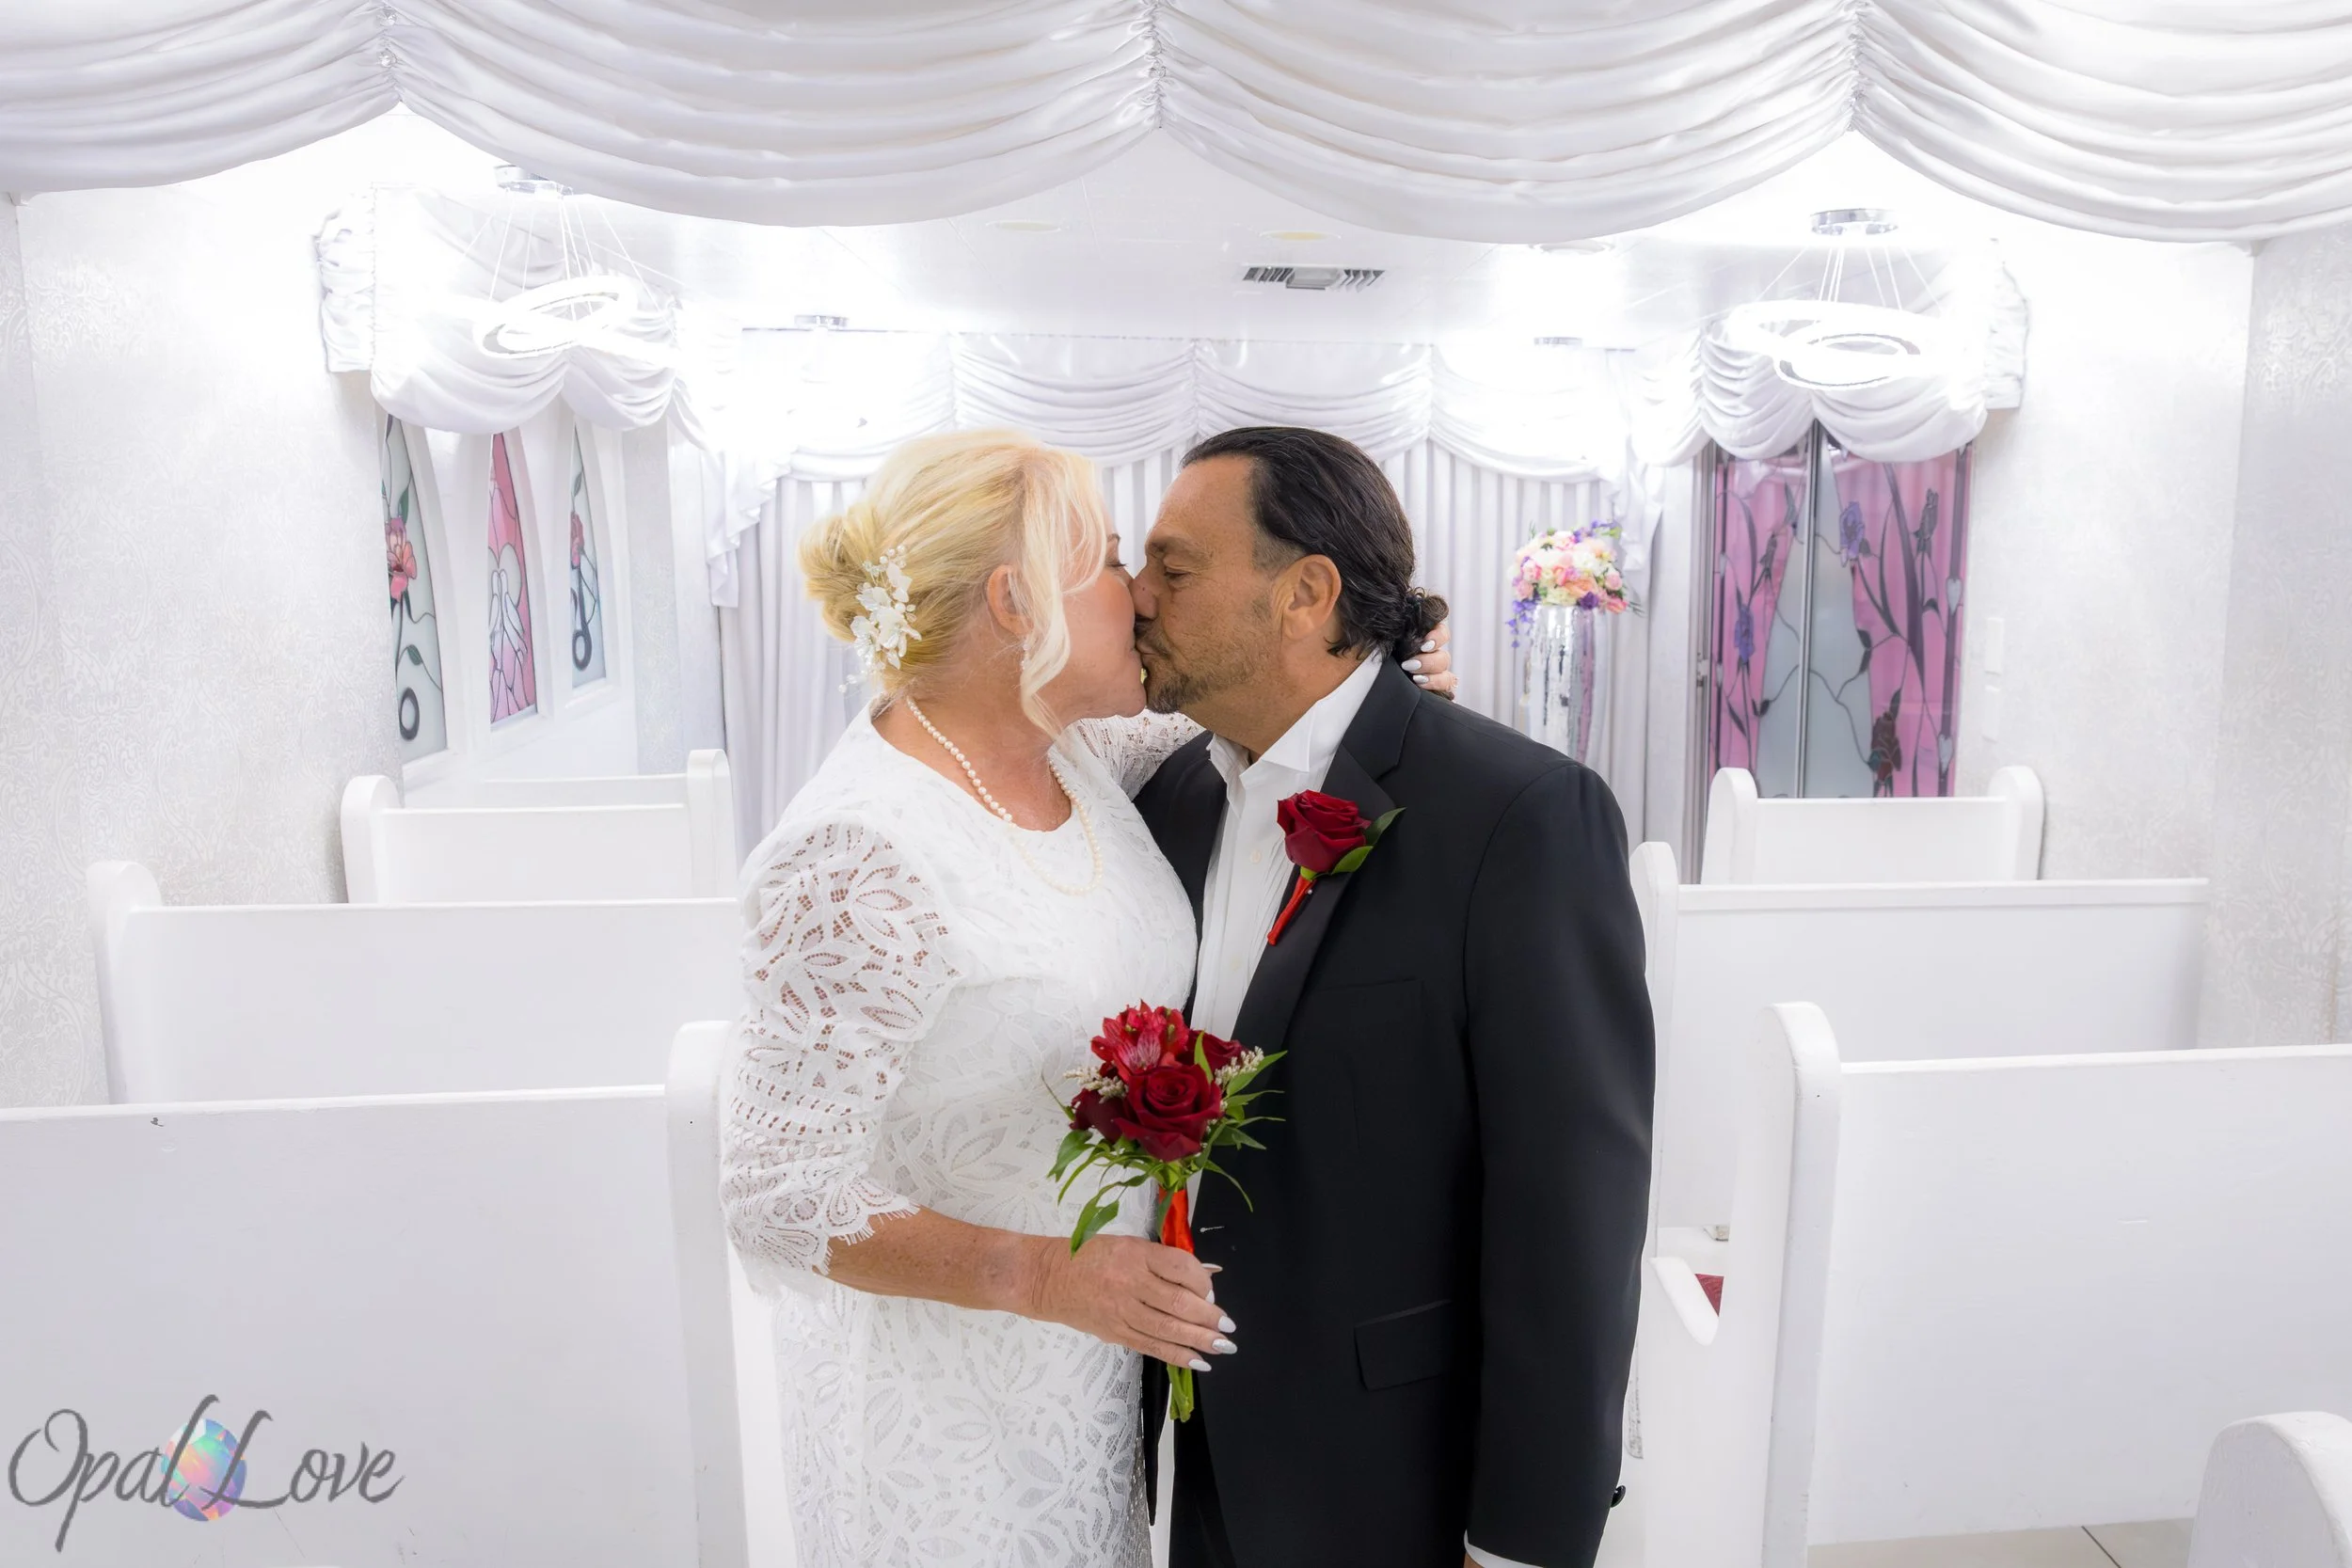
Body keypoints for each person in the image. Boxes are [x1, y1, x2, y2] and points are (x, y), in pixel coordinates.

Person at [718, 428, 1456, 1567]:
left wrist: (1376, 676)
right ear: (1018, 604)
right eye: (1113, 562)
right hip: (938, 1399)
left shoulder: (1084, 753)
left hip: (1086, 1376)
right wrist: (1042, 1274)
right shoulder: (856, 852)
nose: (1142, 595)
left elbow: (1285, 702)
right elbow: (775, 1191)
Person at [1127, 426, 1654, 1568]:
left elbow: (1572, 1207)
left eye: (1174, 569)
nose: (1138, 596)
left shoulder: (1518, 813)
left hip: (1399, 1465)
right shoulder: (1171, 795)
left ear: (1304, 594)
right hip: (1199, 1447)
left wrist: (1525, 1535)